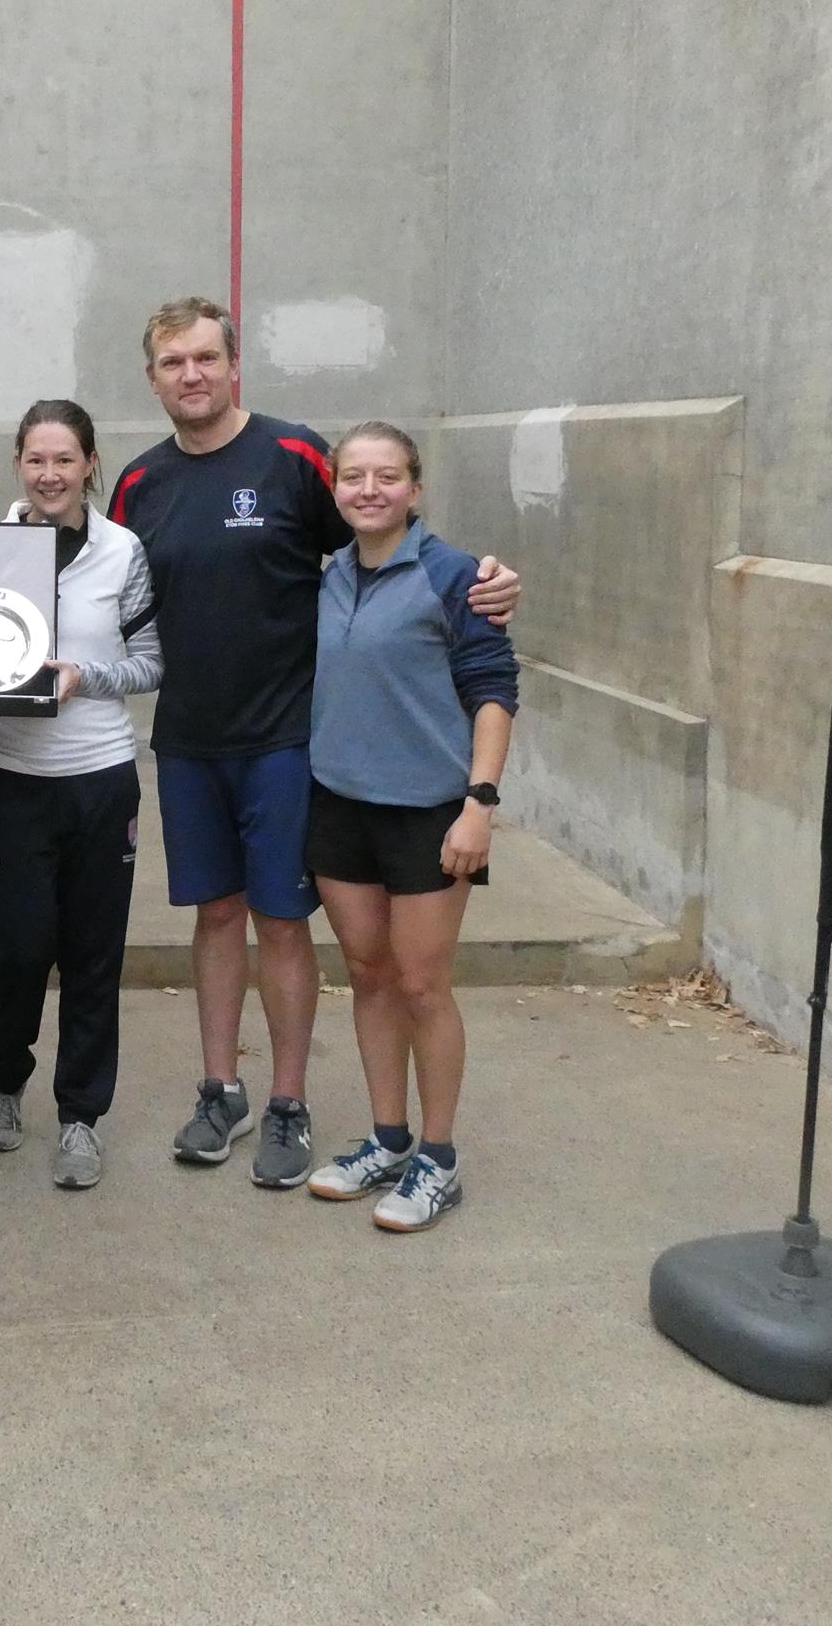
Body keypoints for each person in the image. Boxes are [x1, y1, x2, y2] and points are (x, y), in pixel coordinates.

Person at [108, 298, 517, 1191]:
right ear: (152, 377)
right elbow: (103, 588)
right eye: (173, 362)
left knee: (281, 922)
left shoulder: (295, 458)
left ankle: (290, 1103)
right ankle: (223, 1090)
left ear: (233, 365)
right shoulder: (138, 484)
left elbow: (388, 542)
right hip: (187, 744)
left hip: (290, 745)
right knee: (215, 919)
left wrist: (483, 578)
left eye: (207, 357)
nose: (192, 374)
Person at [0, 399, 160, 1190]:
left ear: (89, 466)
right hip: (7, 781)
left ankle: (80, 1114)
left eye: (65, 460)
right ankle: (6, 1080)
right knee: (16, 949)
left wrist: (87, 678)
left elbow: (151, 662)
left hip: (100, 777)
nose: (50, 474)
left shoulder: (123, 551)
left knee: (92, 954)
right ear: (19, 463)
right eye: (36, 459)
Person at [303, 422, 517, 1231]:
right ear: (336, 490)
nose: (368, 490)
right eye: (353, 477)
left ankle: (438, 1158)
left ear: (415, 489)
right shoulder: (327, 578)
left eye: (386, 476)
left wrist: (479, 804)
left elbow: (495, 689)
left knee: (423, 984)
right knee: (368, 974)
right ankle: (388, 1140)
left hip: (430, 811)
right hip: (338, 804)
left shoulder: (455, 574)